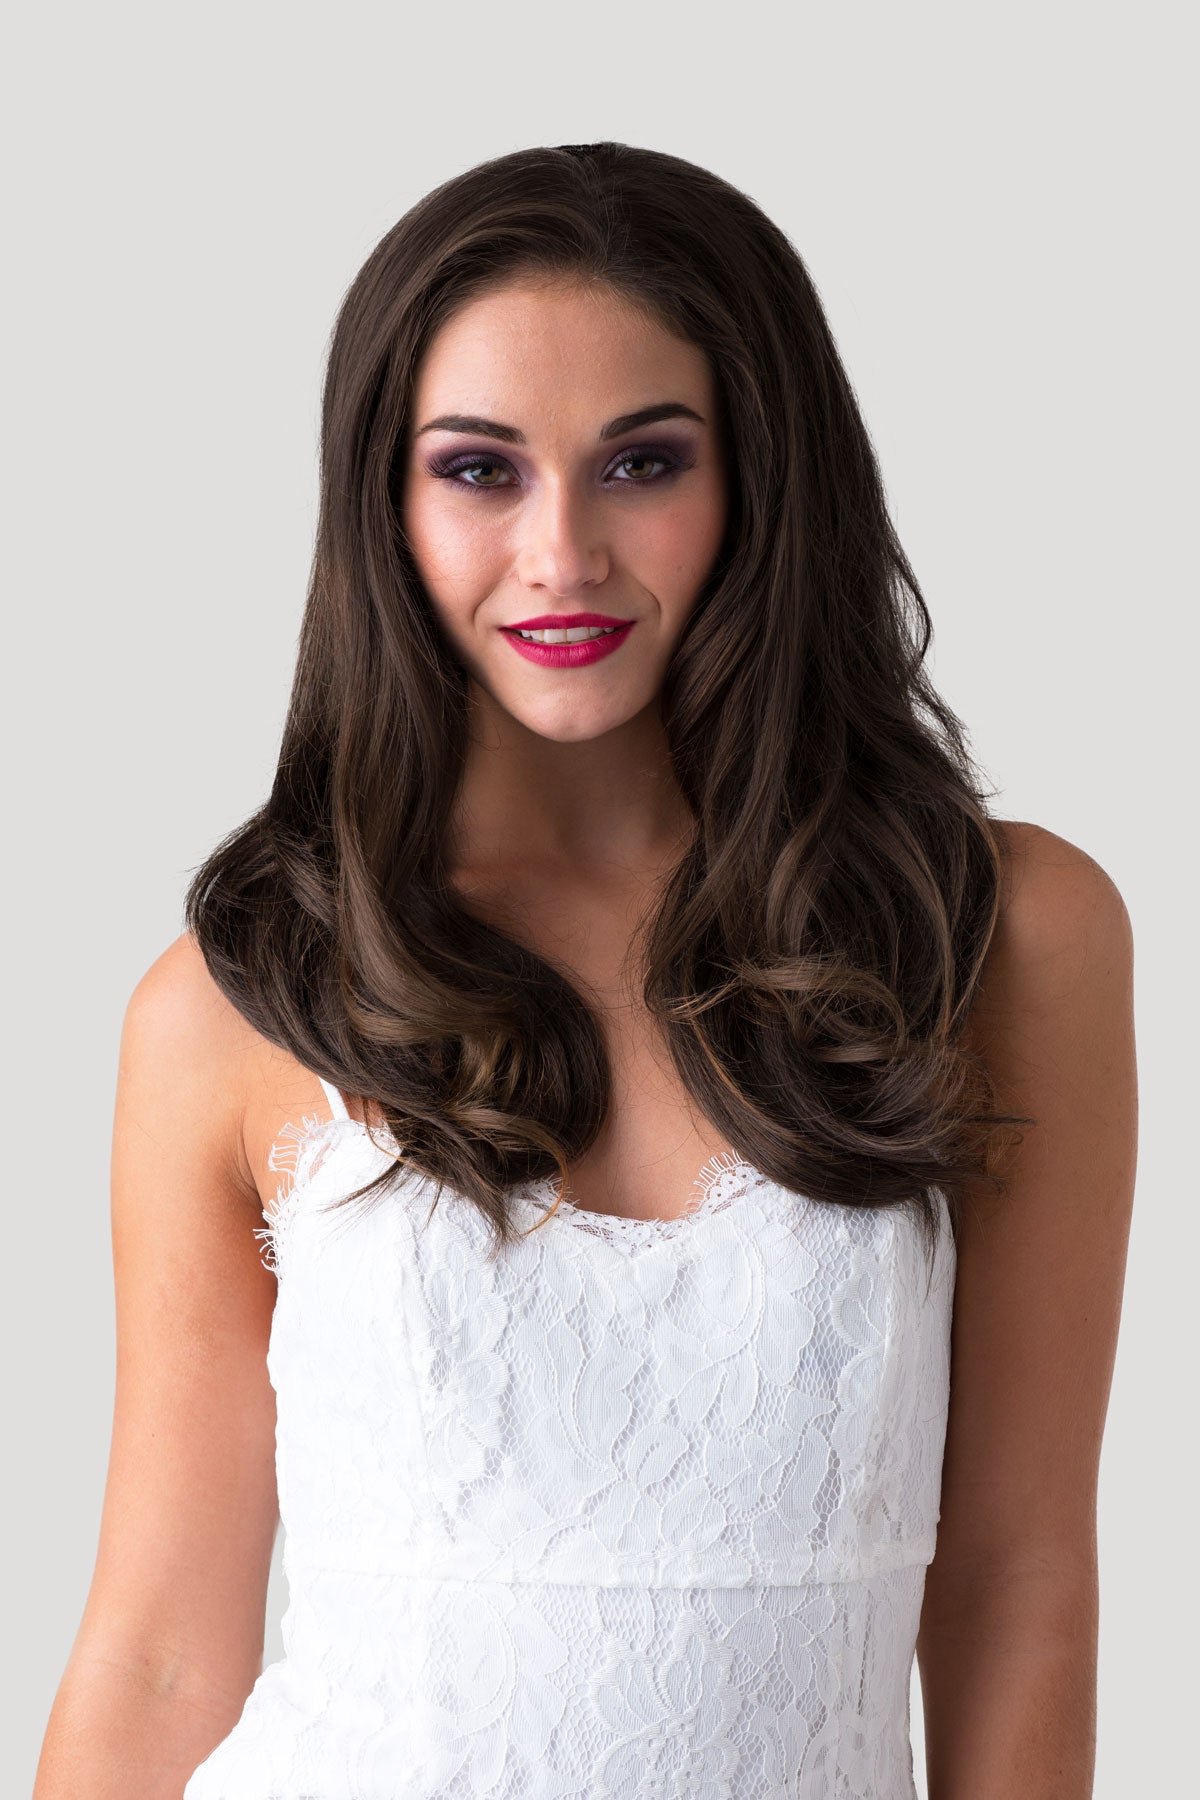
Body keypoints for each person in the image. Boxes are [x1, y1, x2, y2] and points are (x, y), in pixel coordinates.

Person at [34, 143, 1137, 1799]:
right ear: (385, 504)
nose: (562, 552)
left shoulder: (995, 935)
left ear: (761, 480)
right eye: (480, 470)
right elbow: (162, 1656)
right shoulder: (234, 1007)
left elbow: (1016, 1583)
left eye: (641, 463)